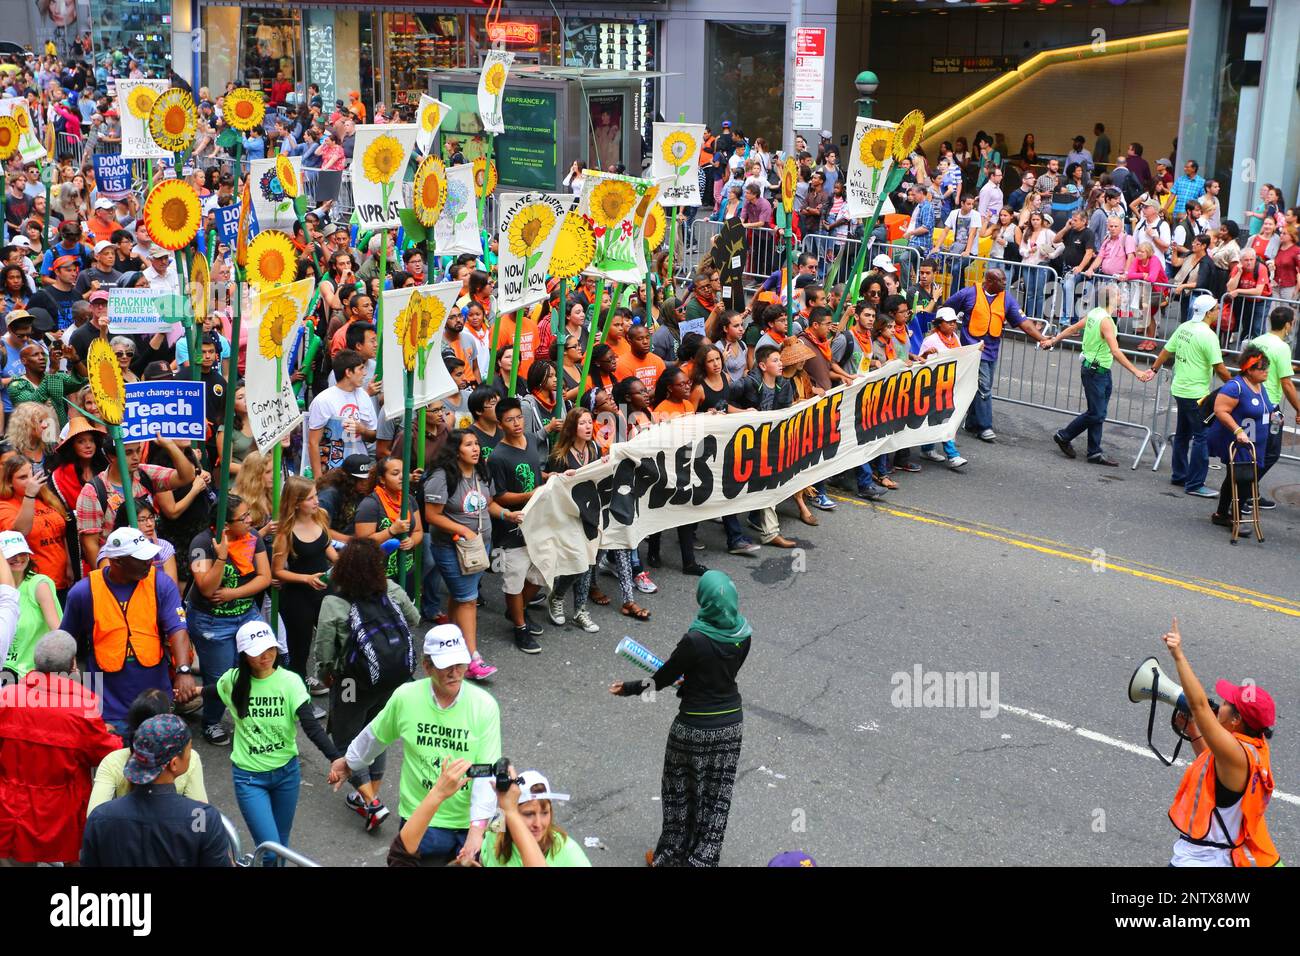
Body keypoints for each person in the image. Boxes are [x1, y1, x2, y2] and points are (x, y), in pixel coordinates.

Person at [609, 570, 751, 867]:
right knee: (715, 797)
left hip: (694, 728)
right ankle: (702, 860)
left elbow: (661, 679)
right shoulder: (743, 633)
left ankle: (671, 856)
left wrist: (630, 688)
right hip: (731, 726)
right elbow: (724, 673)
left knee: (679, 791)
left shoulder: (695, 640)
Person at [330, 624, 501, 865]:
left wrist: (476, 832)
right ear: (427, 666)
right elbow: (375, 735)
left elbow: (487, 772)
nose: (455, 672)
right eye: (445, 666)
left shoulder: (484, 706)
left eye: (460, 664)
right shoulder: (406, 697)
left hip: (468, 827)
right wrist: (349, 763)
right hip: (421, 823)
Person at [200, 620, 341, 864]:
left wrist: (336, 758)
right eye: (257, 652)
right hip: (249, 778)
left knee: (281, 845)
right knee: (270, 849)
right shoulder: (232, 681)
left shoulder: (290, 681)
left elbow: (311, 726)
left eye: (270, 649)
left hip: (287, 774)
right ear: (244, 655)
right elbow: (214, 689)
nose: (266, 656)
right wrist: (193, 691)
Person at [313, 537, 419, 832]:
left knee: (346, 736)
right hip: (389, 678)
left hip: (350, 681)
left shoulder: (333, 603)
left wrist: (326, 675)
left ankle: (370, 800)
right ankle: (370, 792)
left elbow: (324, 651)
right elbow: (415, 617)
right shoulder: (392, 589)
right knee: (377, 731)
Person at [1160, 619, 1278, 866]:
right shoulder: (1253, 748)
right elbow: (1216, 773)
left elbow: (1199, 705)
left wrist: (1178, 655)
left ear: (1236, 720)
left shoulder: (1237, 755)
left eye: (1226, 704)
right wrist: (1194, 730)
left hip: (1202, 860)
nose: (1219, 705)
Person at [0, 630, 120, 866]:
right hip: (62, 813)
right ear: (73, 664)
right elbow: (104, 753)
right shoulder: (82, 707)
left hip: (9, 807)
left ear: (36, 662)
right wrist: (111, 735)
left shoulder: (7, 696)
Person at [58, 528, 197, 732]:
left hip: (155, 699)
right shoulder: (83, 592)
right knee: (115, 762)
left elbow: (178, 629)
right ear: (117, 561)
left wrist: (183, 670)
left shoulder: (161, 583)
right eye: (140, 559)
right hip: (106, 705)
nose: (149, 562)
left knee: (160, 759)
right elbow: (65, 641)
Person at [80, 713, 232, 867]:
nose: (191, 756)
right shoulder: (203, 819)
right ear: (174, 764)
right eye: (189, 750)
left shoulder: (100, 818)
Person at [424, 429, 510, 680]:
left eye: (477, 444)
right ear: (455, 450)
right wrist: (463, 529)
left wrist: (507, 514)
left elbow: (490, 503)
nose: (476, 449)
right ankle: (472, 658)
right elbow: (432, 515)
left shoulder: (482, 472)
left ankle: (450, 640)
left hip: (479, 545)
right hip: (452, 548)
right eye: (468, 445)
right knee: (468, 599)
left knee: (460, 596)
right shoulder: (442, 477)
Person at [187, 494, 272, 745]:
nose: (250, 520)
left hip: (247, 614)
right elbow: (206, 588)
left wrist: (232, 593)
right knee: (222, 677)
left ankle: (250, 714)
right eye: (243, 517)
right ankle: (211, 722)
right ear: (225, 526)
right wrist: (221, 557)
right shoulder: (202, 544)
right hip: (213, 623)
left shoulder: (253, 538)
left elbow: (264, 577)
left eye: (249, 514)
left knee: (256, 667)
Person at [944, 267, 1049, 442]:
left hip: (993, 350)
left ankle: (971, 423)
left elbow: (1024, 323)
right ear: (990, 281)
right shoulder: (968, 294)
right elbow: (946, 309)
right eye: (1001, 281)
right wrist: (947, 333)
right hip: (974, 351)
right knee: (984, 388)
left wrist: (1042, 338)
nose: (1005, 283)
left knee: (981, 388)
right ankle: (985, 427)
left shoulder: (1007, 299)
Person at [1041, 307, 1155, 466]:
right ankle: (1064, 436)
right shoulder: (1105, 321)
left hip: (1099, 370)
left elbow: (1073, 328)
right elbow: (1115, 351)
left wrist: (1053, 341)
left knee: (1098, 412)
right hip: (1096, 372)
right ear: (1112, 299)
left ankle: (1094, 451)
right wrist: (1136, 371)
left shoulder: (1095, 313)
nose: (1123, 300)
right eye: (1120, 296)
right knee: (1096, 413)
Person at [1147, 294, 1232, 498]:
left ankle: (1179, 474)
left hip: (1180, 389)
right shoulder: (1208, 335)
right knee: (1201, 437)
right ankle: (1194, 483)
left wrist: (1154, 369)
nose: (1218, 311)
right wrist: (1235, 384)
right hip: (1196, 394)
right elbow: (1219, 367)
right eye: (1216, 308)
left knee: (1184, 433)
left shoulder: (1184, 327)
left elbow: (1166, 351)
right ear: (1209, 312)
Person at [88, 688, 207, 813]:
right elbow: (200, 815)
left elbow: (93, 814)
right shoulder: (187, 756)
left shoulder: (112, 761)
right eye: (171, 709)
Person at [1205, 344, 1275, 536]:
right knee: (1243, 479)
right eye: (1262, 368)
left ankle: (1221, 514)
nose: (1267, 371)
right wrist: (1237, 430)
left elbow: (1266, 408)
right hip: (1240, 443)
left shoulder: (1260, 386)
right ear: (1249, 370)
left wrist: (1276, 415)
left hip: (1255, 444)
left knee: (1234, 479)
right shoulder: (1235, 387)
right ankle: (1235, 518)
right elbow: (1220, 410)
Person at [272, 476, 336, 680]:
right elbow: (278, 571)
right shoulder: (285, 533)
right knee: (300, 649)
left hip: (325, 590)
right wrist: (307, 579)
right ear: (296, 503)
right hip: (298, 598)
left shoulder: (321, 517)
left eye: (316, 495)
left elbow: (327, 548)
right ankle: (300, 696)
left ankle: (327, 679)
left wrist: (342, 562)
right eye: (310, 498)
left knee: (336, 639)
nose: (316, 501)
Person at [0, 453, 70, 597]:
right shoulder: (5, 505)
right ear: (9, 482)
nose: (31, 481)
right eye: (22, 477)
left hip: (62, 580)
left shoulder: (46, 498)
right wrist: (29, 496)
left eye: (32, 475)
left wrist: (70, 566)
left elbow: (63, 532)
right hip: (33, 584)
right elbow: (20, 533)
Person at [1249, 308, 1299, 497]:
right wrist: (1298, 409)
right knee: (1270, 452)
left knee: (1253, 450)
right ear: (1288, 324)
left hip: (1250, 401)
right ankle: (1246, 490)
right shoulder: (1282, 347)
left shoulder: (1257, 340)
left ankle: (1250, 491)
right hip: (1268, 407)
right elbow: (1287, 383)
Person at [354, 456, 423, 584]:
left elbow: (418, 531)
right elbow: (361, 544)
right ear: (382, 479)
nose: (402, 477)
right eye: (395, 473)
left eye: (404, 472)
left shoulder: (409, 499)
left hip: (406, 570)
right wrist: (391, 531)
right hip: (379, 576)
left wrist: (412, 541)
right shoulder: (370, 504)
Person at [0, 529, 59, 676]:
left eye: (23, 553)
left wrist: (69, 663)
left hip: (32, 677)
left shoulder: (39, 585)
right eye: (12, 555)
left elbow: (57, 630)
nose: (19, 558)